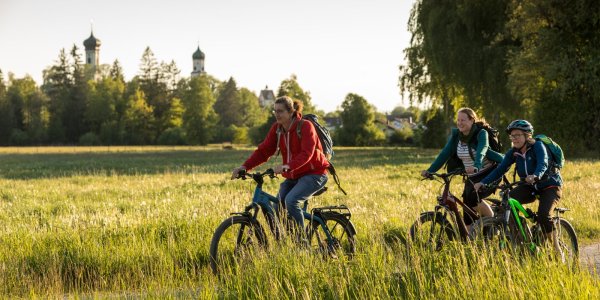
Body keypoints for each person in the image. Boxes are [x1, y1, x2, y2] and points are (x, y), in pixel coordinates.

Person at [231, 96, 329, 239]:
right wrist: (244, 167)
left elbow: (307, 153)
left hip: (315, 173)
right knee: (278, 207)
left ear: (291, 112)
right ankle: (290, 239)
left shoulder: (306, 126)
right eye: (275, 111)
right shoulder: (277, 129)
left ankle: (302, 244)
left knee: (291, 201)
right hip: (293, 176)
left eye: (281, 111)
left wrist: (287, 166)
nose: (277, 114)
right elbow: (264, 151)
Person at [474, 120, 563, 253]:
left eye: (517, 135)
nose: (514, 139)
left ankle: (557, 249)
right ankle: (523, 240)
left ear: (527, 136)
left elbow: (543, 163)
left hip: (549, 185)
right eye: (512, 136)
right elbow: (500, 169)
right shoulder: (513, 152)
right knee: (507, 202)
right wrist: (483, 182)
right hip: (530, 186)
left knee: (544, 216)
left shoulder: (538, 146)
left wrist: (536, 175)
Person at [421, 108, 504, 230]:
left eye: (463, 120)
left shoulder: (481, 133)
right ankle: (470, 238)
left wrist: (477, 165)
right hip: (472, 175)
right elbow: (445, 154)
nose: (460, 123)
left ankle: (492, 222)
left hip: (489, 172)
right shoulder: (457, 136)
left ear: (472, 120)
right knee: (466, 205)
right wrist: (430, 170)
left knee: (473, 199)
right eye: (458, 120)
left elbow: (482, 149)